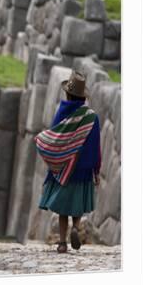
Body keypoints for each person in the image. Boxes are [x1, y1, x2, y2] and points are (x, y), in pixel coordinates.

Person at [35, 70, 101, 254]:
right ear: (82, 96)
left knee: (63, 209)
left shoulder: (62, 111)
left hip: (64, 168)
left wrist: (46, 147)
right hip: (84, 169)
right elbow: (96, 146)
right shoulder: (92, 117)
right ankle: (76, 226)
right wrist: (96, 170)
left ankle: (62, 242)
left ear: (67, 93)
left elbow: (55, 137)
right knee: (77, 205)